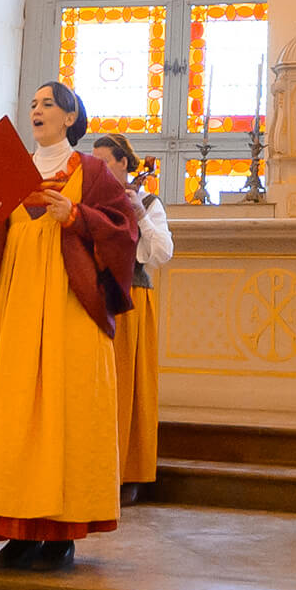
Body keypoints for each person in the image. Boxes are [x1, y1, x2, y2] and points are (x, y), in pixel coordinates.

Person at [0, 81, 138, 572]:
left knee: (64, 410)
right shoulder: (7, 173)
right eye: (32, 104)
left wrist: (76, 215)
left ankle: (61, 532)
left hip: (68, 305)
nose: (37, 110)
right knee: (12, 415)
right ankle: (14, 527)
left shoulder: (92, 172)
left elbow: (125, 232)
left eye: (48, 104)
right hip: (13, 302)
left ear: (71, 117)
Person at [91, 135, 172, 501]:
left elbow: (161, 253)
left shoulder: (148, 202)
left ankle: (128, 472)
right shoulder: (91, 202)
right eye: (94, 164)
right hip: (94, 296)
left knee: (128, 384)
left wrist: (137, 211)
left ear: (125, 164)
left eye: (106, 162)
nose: (100, 170)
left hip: (131, 298)